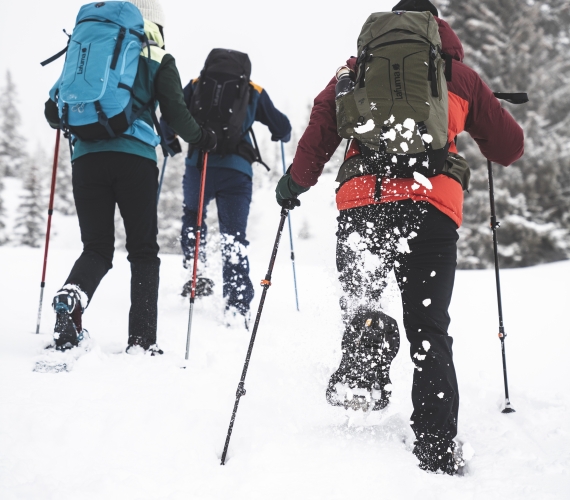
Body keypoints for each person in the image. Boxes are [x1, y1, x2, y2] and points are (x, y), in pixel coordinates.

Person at [275, 0, 524, 474]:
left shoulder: (353, 70)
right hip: (430, 208)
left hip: (362, 204)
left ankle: (369, 331)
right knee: (428, 330)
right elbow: (509, 147)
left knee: (363, 300)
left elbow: (320, 128)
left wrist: (295, 184)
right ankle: (434, 448)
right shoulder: (457, 75)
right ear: (437, 28)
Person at [44, 0, 216, 355]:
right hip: (135, 160)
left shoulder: (89, 51)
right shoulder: (159, 59)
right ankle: (141, 340)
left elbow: (52, 111)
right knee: (142, 251)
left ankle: (73, 294)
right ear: (157, 26)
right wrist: (203, 138)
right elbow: (177, 116)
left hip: (86, 159)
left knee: (96, 248)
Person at [162, 49, 291, 328]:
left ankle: (197, 278)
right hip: (237, 171)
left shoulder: (197, 85)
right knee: (233, 236)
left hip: (200, 165)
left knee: (193, 220)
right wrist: (281, 133)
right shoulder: (252, 89)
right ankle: (237, 303)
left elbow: (169, 115)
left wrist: (171, 144)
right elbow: (282, 126)